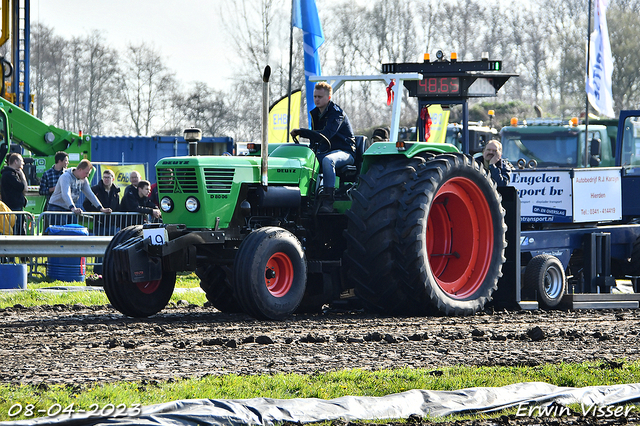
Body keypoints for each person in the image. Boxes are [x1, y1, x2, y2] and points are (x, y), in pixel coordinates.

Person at [291, 81, 356, 213]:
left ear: (328, 98)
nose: (316, 99)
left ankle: (328, 201)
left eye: (320, 97)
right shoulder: (316, 113)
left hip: (345, 151)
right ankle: (306, 198)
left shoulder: (337, 114)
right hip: (326, 150)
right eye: (315, 96)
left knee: (328, 160)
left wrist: (302, 132)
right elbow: (316, 140)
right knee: (305, 161)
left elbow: (326, 135)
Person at [47, 159, 112, 225]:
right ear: (80, 169)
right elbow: (66, 194)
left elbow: (90, 194)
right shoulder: (65, 176)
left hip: (69, 208)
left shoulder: (83, 179)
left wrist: (101, 208)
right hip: (57, 208)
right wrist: (73, 208)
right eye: (86, 173)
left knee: (74, 231)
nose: (87, 176)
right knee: (60, 232)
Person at [83, 168, 120, 235]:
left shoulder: (116, 191)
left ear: (113, 179)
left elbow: (117, 207)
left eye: (108, 177)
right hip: (99, 222)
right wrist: (98, 212)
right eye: (104, 177)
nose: (106, 179)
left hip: (112, 223)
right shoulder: (95, 189)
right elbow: (86, 204)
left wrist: (116, 221)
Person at [0, 153, 28, 234]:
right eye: (21, 161)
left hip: (13, 208)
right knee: (17, 232)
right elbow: (24, 189)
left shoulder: (9, 174)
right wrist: (23, 176)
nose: (23, 163)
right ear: (15, 161)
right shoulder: (10, 175)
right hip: (14, 208)